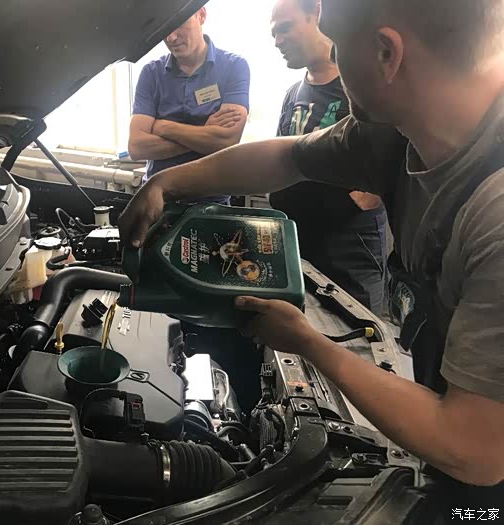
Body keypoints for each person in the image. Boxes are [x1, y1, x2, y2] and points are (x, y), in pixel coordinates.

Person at [120, 0, 504, 517]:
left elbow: (475, 450)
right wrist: (166, 183)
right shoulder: (395, 136)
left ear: (386, 53)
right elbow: (288, 156)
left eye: (340, 46)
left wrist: (307, 342)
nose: (334, 61)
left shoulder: (496, 217)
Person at [270, 0, 388, 313]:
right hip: (298, 246)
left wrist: (360, 199)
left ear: (318, 15)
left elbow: (391, 156)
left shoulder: (360, 88)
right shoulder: (293, 94)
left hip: (348, 251)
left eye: (285, 28)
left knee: (356, 331)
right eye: (274, 34)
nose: (278, 41)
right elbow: (281, 158)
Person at [128, 7, 250, 205]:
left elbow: (227, 140)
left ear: (201, 15)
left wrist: (164, 127)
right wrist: (205, 134)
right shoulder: (151, 73)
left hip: (212, 204)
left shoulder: (234, 67)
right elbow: (137, 147)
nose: (171, 38)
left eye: (178, 24)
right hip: (158, 201)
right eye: (164, 30)